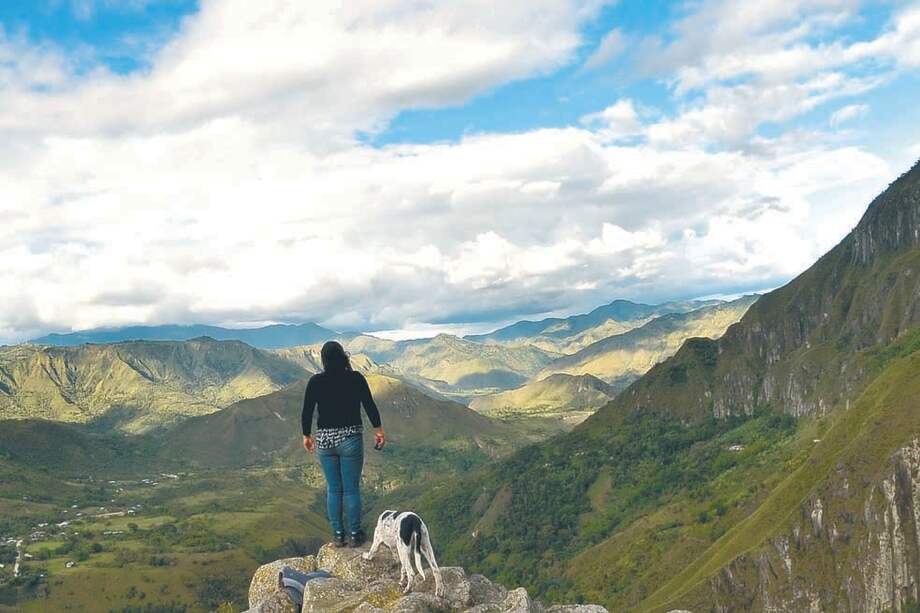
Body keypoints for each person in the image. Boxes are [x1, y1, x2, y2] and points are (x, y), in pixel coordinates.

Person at [301, 340, 385, 547]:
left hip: (325, 441)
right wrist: (378, 430)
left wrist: (306, 435)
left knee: (333, 489)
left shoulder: (315, 381)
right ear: (343, 357)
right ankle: (355, 534)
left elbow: (307, 411)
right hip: (350, 439)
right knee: (351, 489)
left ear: (323, 360)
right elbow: (369, 405)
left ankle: (338, 535)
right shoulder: (355, 378)